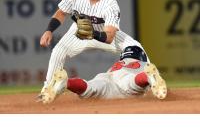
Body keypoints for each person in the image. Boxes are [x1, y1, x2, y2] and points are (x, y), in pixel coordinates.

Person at [38, 0, 150, 104]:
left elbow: (109, 37)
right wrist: (49, 30)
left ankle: (148, 80)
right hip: (78, 31)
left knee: (136, 46)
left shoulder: (110, 4)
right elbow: (61, 13)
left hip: (103, 32)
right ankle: (48, 89)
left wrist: (93, 33)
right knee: (58, 51)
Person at [37, 46, 167, 104]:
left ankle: (66, 83)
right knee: (133, 84)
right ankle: (147, 76)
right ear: (141, 57)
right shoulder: (142, 64)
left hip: (107, 76)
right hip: (126, 79)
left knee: (89, 88)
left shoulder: (120, 62)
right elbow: (157, 88)